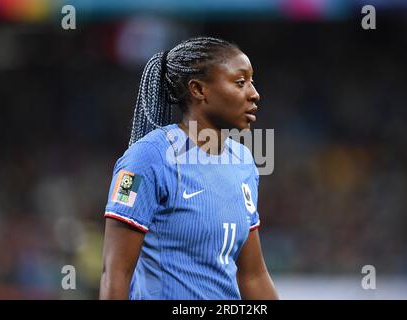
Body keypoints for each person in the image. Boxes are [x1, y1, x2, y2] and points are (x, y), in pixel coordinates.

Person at [99, 37, 278, 300]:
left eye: (252, 82)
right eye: (240, 83)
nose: (254, 93)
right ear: (198, 89)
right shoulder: (146, 159)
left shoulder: (243, 163)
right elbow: (115, 274)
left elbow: (253, 275)